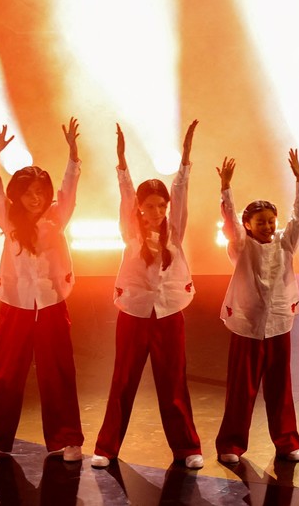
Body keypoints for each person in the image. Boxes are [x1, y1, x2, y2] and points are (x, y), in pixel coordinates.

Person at [92, 121, 204, 469]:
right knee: (123, 380)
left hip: (169, 313)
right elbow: (126, 193)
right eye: (150, 206)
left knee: (173, 382)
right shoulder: (131, 232)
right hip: (135, 313)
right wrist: (122, 161)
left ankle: (187, 448)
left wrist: (185, 158)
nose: (156, 212)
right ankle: (107, 448)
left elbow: (182, 191)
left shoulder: (175, 231)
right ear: (139, 208)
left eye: (161, 206)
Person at [0, 120, 85, 464]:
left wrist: (73, 156)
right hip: (15, 307)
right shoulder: (8, 222)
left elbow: (69, 189)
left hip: (52, 305)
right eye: (28, 192)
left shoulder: (57, 218)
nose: (36, 198)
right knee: (6, 374)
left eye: (41, 191)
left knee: (59, 373)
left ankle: (67, 439)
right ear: (17, 196)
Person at [214, 149, 299, 464]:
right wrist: (226, 188)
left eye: (271, 221)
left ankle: (286, 442)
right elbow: (229, 221)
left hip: (279, 323)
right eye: (261, 222)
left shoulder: (284, 244)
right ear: (248, 224)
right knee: (242, 388)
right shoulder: (241, 247)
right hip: (247, 325)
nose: (268, 226)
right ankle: (231, 445)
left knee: (280, 387)